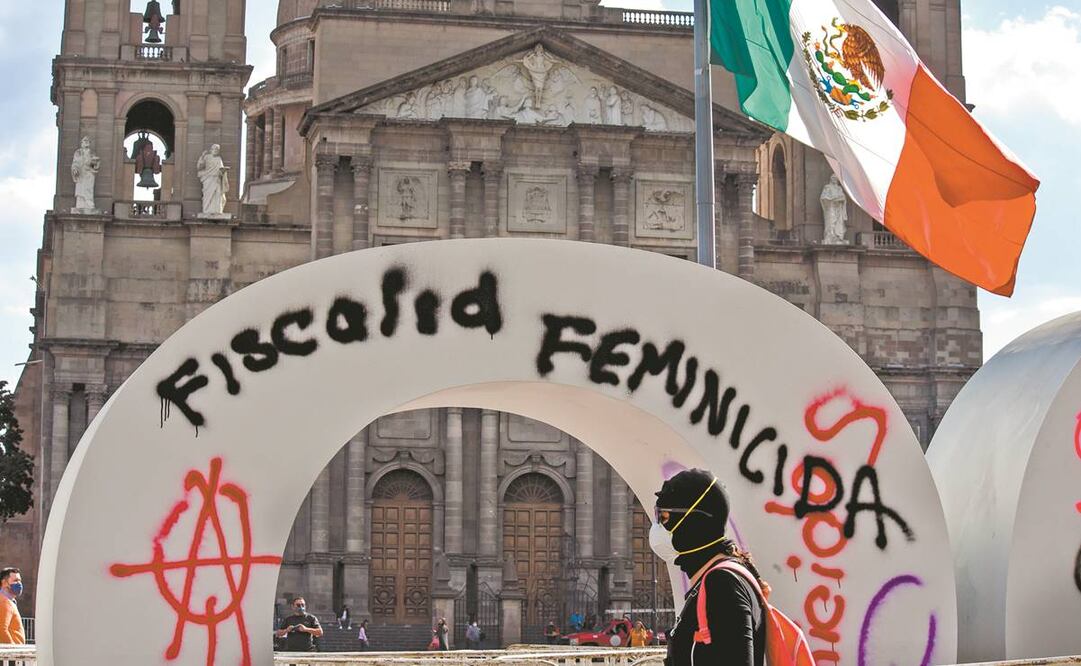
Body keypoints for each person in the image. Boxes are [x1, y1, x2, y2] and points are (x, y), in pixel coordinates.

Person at [650, 469, 766, 666]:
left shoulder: (722, 584)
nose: (657, 527)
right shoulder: (714, 580)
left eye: (665, 518)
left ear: (694, 522)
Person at [0, 567, 25, 646]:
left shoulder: (8, 601)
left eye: (20, 580)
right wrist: (13, 650)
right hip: (11, 655)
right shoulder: (4, 601)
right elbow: (1, 630)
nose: (19, 584)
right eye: (15, 580)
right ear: (4, 582)